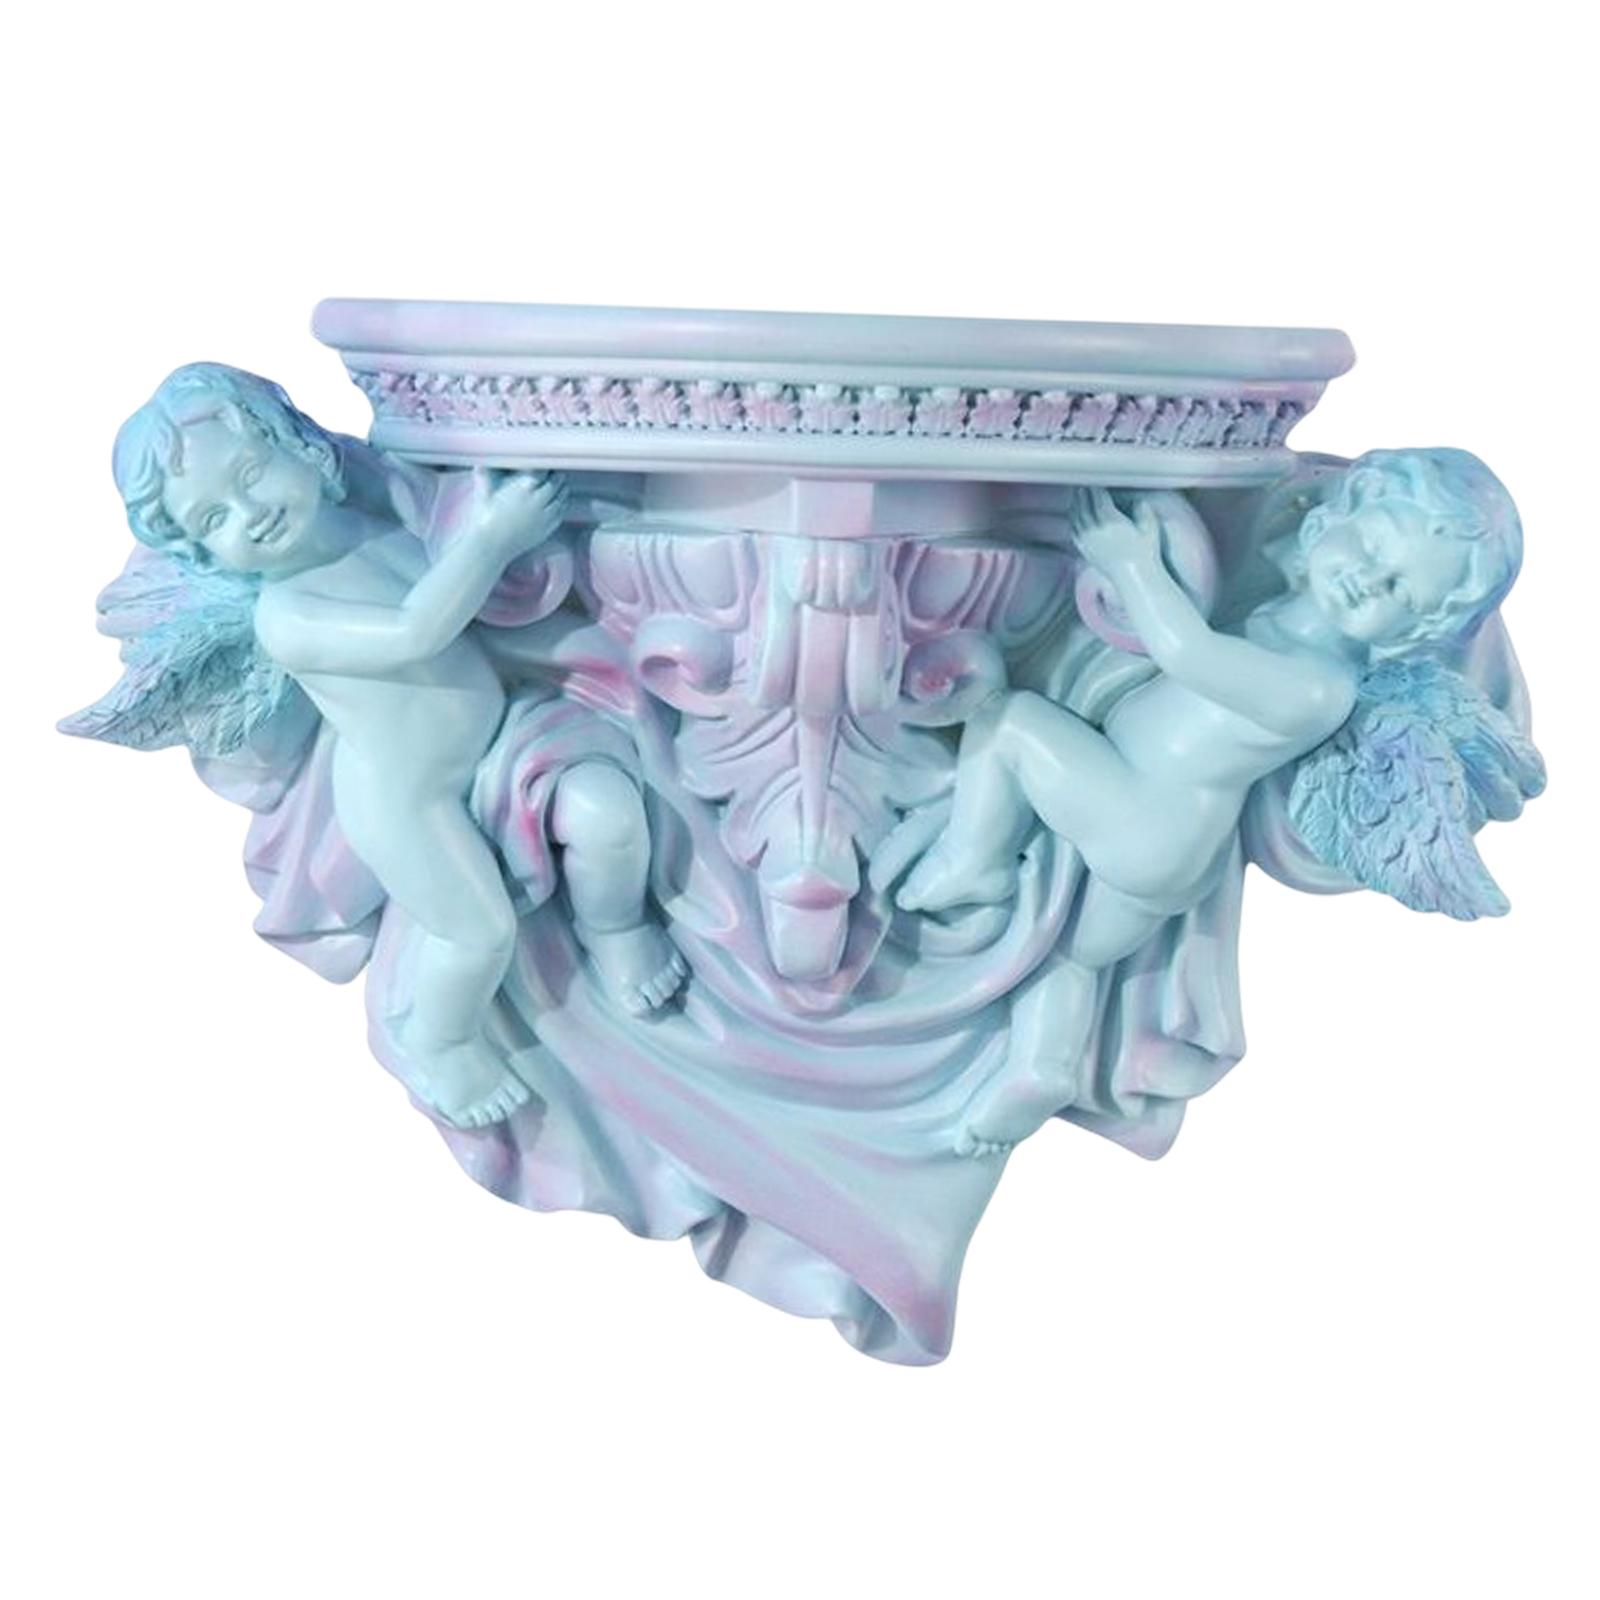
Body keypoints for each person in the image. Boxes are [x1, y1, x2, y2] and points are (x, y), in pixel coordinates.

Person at [898, 449, 1525, 1152]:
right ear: (1334, 518)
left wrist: (1130, 561)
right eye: (1375, 548)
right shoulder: (1280, 618)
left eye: (1399, 591)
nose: (1367, 580)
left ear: (1412, 632)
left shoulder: (1320, 688)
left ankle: (974, 861)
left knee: (1008, 722)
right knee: (1070, 958)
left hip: (1147, 818)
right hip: (1164, 836)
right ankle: (1041, 1068)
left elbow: (1186, 652)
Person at [107, 364, 683, 1126]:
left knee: (609, 817)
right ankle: (441, 1040)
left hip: (505, 736)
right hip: (407, 802)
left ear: (304, 448)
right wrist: (493, 537)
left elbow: (454, 559)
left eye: (250, 474)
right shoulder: (287, 613)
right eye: (215, 517)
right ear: (204, 556)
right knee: (477, 935)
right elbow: (415, 630)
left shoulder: (373, 523)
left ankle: (618, 927)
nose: (251, 513)